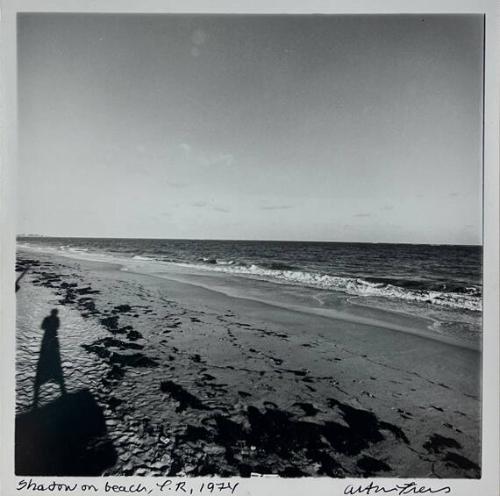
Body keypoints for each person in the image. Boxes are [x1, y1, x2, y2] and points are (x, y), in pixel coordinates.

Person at [33, 309, 66, 408]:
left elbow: (43, 327)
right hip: (52, 337)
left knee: (46, 354)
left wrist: (49, 326)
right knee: (54, 354)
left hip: (48, 337)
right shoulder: (56, 319)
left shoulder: (49, 318)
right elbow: (56, 327)